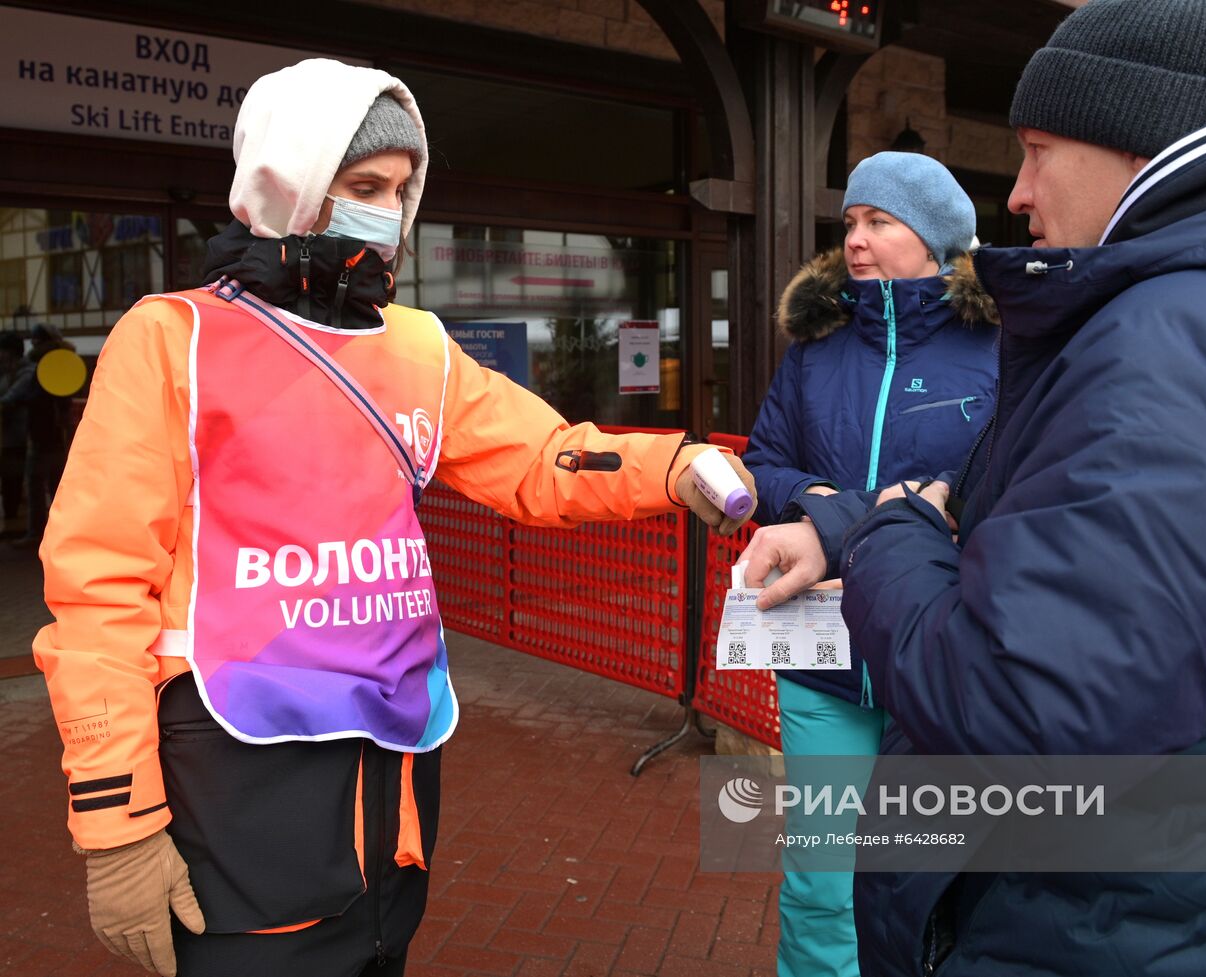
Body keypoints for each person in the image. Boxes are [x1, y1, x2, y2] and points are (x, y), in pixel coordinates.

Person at [34, 58, 754, 977]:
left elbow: (538, 457)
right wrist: (117, 821)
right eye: (364, 186)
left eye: (403, 189)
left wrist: (675, 464)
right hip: (241, 771)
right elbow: (100, 588)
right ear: (287, 183)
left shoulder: (417, 346)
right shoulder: (172, 338)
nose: (390, 211)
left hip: (394, 778)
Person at [740, 0, 1206, 974]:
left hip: (1088, 921)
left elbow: (1024, 711)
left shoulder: (1169, 348)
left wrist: (880, 540)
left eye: (1038, 148)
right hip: (1192, 901)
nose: (1014, 192)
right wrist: (843, 519)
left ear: (1136, 143)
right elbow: (1041, 494)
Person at [742, 151, 996, 977]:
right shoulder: (816, 350)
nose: (856, 238)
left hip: (937, 660)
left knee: (921, 886)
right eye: (851, 221)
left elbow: (995, 482)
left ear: (932, 239)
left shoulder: (997, 349)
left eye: (880, 221)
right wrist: (813, 496)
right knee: (819, 883)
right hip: (824, 665)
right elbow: (764, 463)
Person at [3, 323, 75, 547]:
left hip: (42, 433)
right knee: (59, 487)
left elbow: (25, 396)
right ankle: (65, 532)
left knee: (36, 484)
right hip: (61, 434)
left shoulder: (40, 366)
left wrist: (20, 402)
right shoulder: (66, 362)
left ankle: (38, 533)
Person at [0, 331, 27, 534]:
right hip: (9, 436)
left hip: (19, 436)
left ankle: (13, 520)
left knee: (14, 478)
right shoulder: (7, 371)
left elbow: (10, 398)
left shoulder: (27, 372)